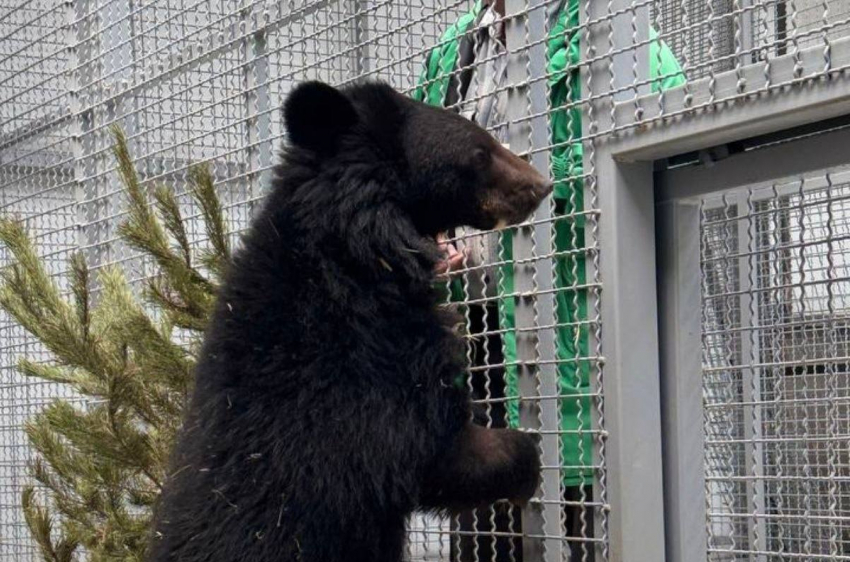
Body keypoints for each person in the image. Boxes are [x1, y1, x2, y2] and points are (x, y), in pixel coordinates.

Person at [415, 2, 686, 561]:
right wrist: (432, 238)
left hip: (572, 325)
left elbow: (675, 121)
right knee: (483, 529)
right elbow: (416, 172)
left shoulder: (605, 25)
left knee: (576, 513)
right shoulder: (455, 51)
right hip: (474, 339)